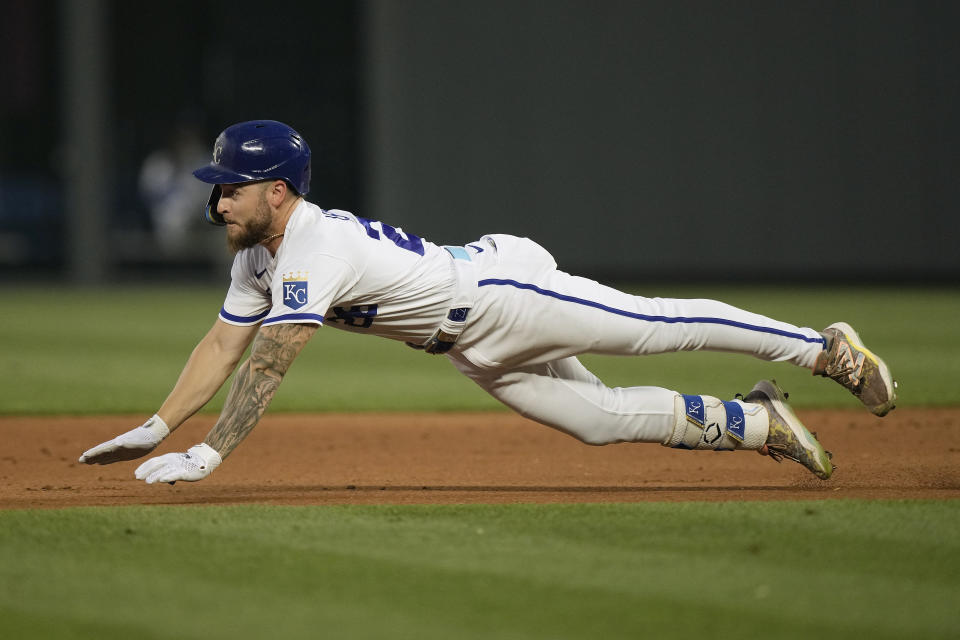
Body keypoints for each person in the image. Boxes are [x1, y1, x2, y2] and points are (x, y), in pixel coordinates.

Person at [79, 120, 897, 484]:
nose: (217, 201)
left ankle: (822, 348)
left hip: (502, 295)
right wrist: (160, 425)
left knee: (654, 326)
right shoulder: (257, 256)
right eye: (216, 188)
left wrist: (212, 454)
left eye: (231, 188)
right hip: (467, 344)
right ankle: (761, 424)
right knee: (596, 421)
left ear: (280, 191)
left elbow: (271, 360)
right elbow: (224, 344)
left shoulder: (312, 245)